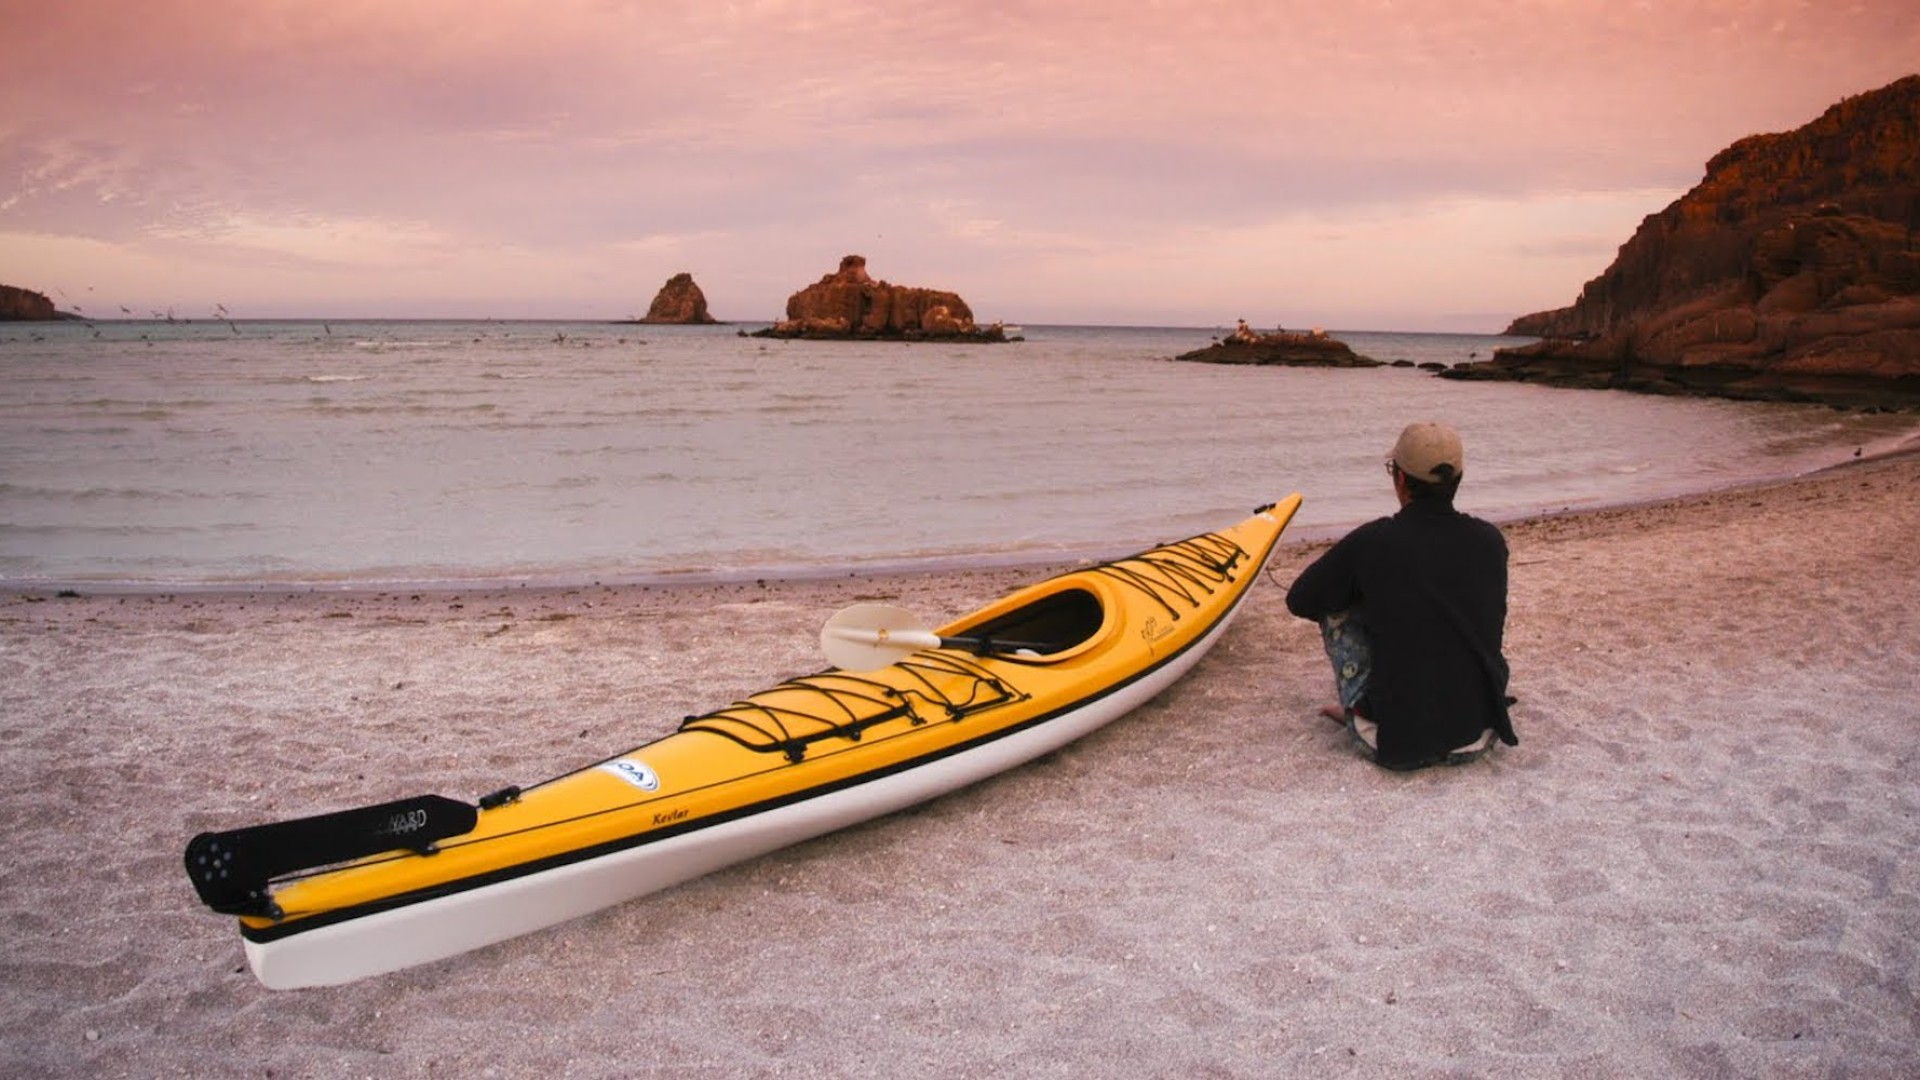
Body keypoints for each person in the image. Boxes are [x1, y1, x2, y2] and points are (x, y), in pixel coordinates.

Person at [1285, 421, 1517, 769]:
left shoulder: (1374, 541)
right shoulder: (1490, 541)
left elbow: (1301, 599)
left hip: (1397, 740)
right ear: (1457, 480)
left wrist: (1369, 597)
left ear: (1401, 479)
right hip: (1480, 733)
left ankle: (1359, 709)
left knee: (1337, 608)